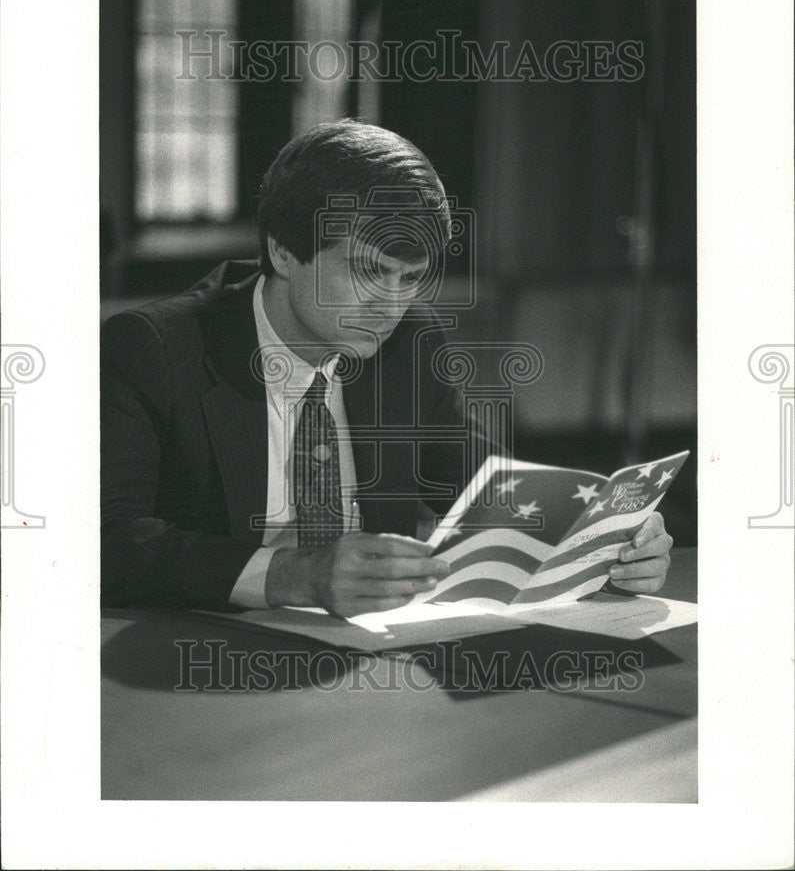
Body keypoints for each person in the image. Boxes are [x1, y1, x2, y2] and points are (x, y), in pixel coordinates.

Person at [101, 119, 674, 616]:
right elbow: (105, 543)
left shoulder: (408, 340)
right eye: (368, 271)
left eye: (409, 277)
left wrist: (605, 535)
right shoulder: (150, 349)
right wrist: (290, 574)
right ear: (282, 249)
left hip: (371, 664)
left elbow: (482, 487)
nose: (390, 303)